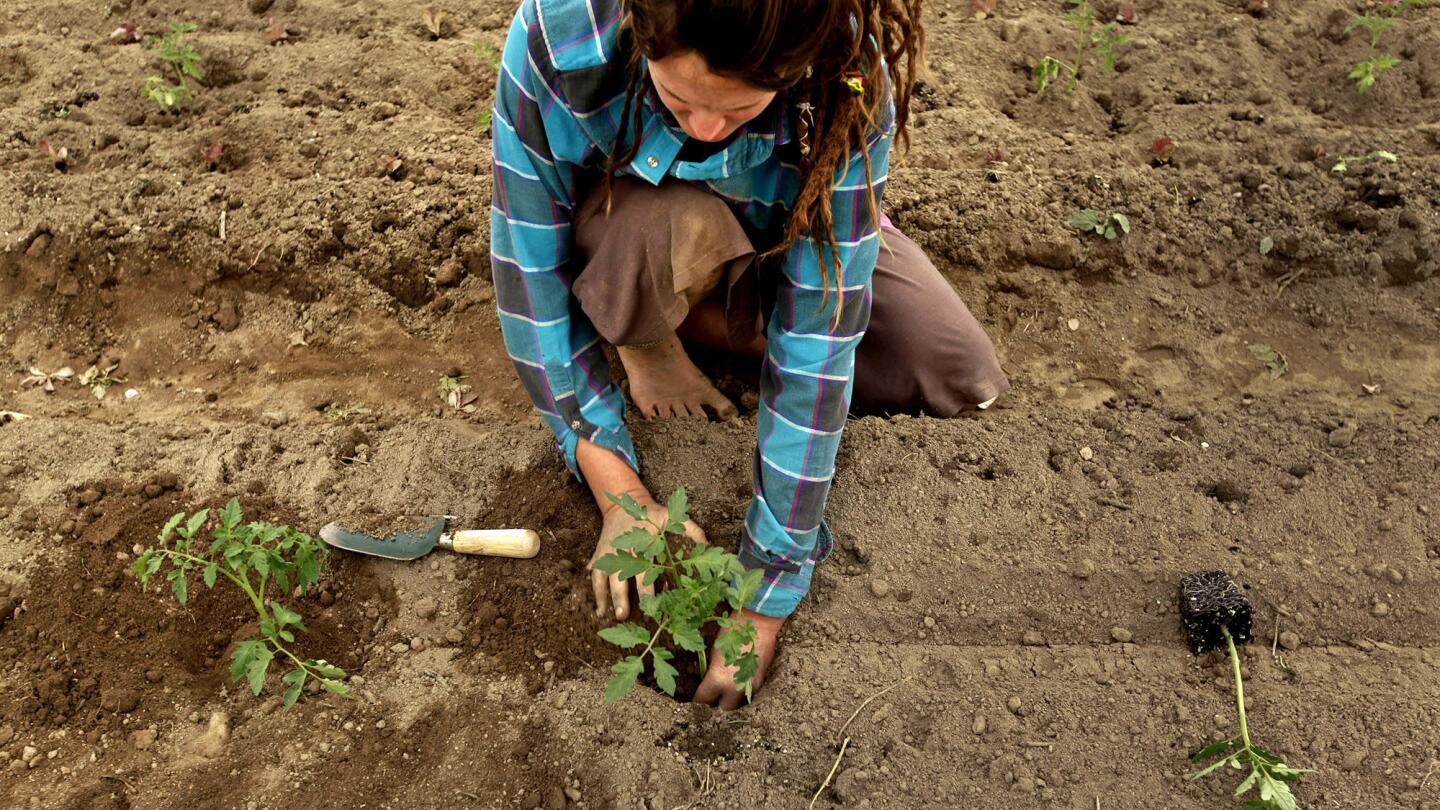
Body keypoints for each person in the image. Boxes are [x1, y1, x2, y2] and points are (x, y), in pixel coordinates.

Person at [490, 0, 1008, 709]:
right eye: (680, 97)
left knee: (956, 373)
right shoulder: (560, 35)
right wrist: (621, 495)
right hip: (630, 218)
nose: (704, 127)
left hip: (778, 229)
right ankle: (643, 332)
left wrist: (765, 598)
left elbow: (824, 335)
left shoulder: (846, 67)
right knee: (660, 231)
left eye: (738, 108)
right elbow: (528, 279)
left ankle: (707, 309)